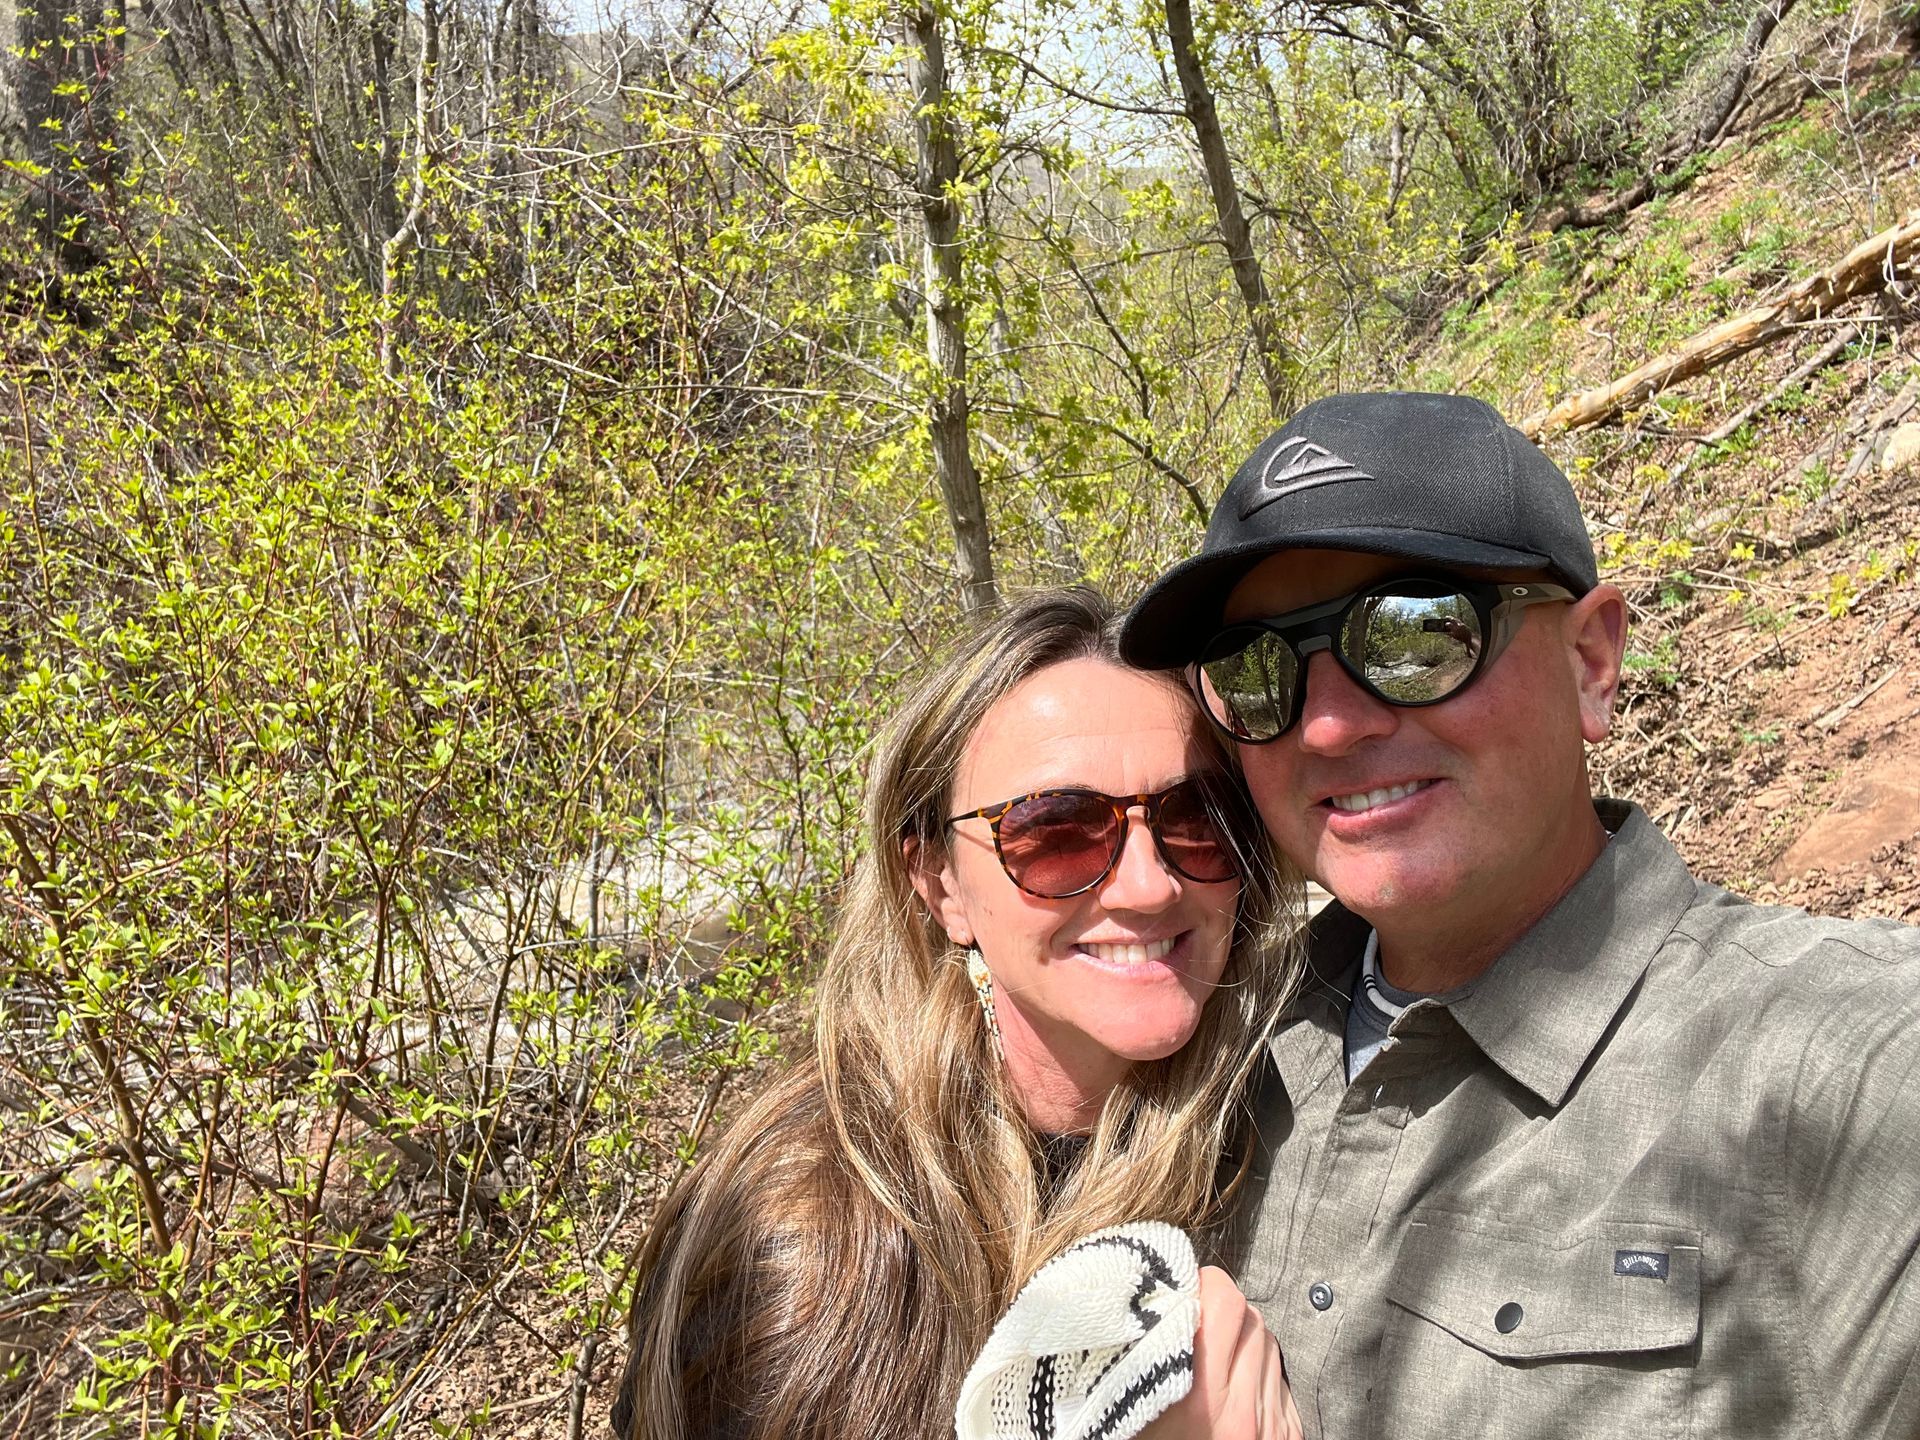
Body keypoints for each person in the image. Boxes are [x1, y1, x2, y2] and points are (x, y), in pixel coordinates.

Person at [1119, 391, 1920, 1439]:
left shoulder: (1852, 1077)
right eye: (1256, 672)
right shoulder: (1210, 1055)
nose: (1324, 723)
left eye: (1413, 632)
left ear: (1590, 662)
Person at [611, 588, 1306, 1440]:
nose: (1150, 884)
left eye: (1198, 818)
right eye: (1057, 832)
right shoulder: (806, 1241)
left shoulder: (1292, 1126)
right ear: (939, 884)